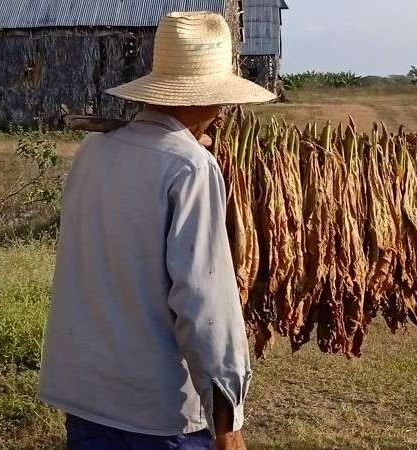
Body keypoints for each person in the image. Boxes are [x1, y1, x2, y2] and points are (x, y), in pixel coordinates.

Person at [37, 11, 275, 450]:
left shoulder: (95, 149)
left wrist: (186, 144)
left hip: (86, 396)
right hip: (157, 415)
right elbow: (205, 304)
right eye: (221, 98)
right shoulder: (190, 168)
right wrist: (228, 422)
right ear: (202, 96)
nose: (224, 112)